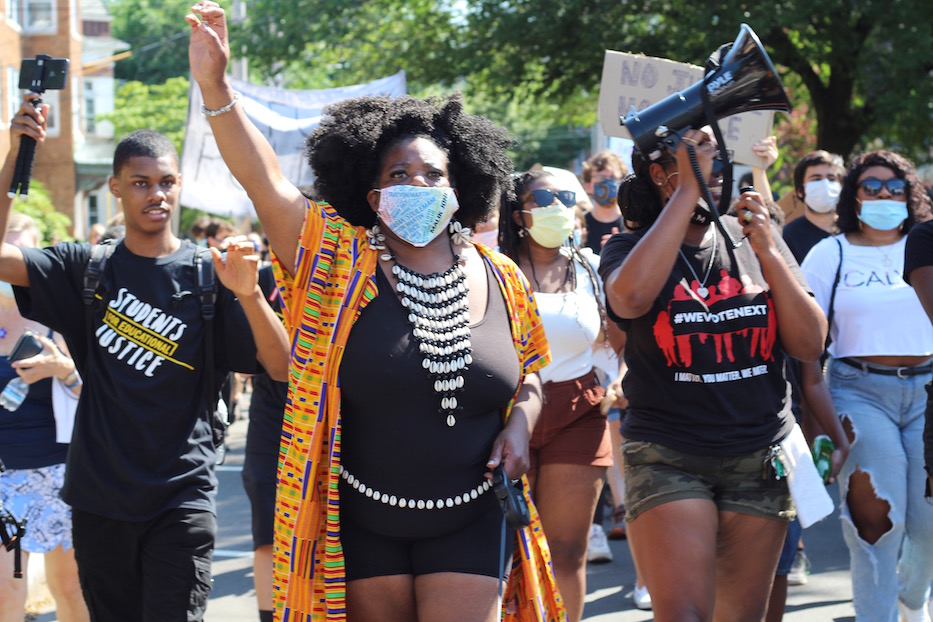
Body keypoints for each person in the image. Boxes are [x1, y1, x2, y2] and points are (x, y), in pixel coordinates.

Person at [188, 4, 563, 622]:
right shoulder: (335, 263)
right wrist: (216, 88)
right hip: (360, 526)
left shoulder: (505, 277)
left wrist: (521, 423)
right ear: (372, 194)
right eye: (399, 173)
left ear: (458, 188)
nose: (417, 184)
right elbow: (265, 181)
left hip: (473, 519)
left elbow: (531, 374)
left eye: (432, 174)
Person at [0, 93, 290, 621]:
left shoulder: (210, 276)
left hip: (182, 495)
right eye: (140, 183)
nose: (156, 195)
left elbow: (281, 368)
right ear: (115, 189)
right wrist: (16, 155)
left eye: (166, 183)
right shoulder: (84, 269)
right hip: (99, 498)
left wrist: (247, 294)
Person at [598, 129, 826, 621]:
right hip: (668, 454)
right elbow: (629, 300)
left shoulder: (755, 237)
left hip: (759, 455)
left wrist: (767, 248)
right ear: (661, 174)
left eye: (719, 161)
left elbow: (810, 343)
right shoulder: (627, 247)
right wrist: (688, 193)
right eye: (698, 160)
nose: (716, 171)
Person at [801, 150, 933, 622]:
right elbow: (804, 338)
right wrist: (813, 421)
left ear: (909, 195)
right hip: (858, 392)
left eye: (893, 187)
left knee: (929, 523)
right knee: (877, 522)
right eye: (870, 187)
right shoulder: (829, 253)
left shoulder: (927, 243)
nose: (882, 195)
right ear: (853, 196)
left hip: (928, 395)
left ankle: (912, 598)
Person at [499, 169, 622, 620]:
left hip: (580, 416)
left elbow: (616, 342)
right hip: (505, 417)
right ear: (518, 213)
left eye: (566, 196)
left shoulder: (591, 267)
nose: (556, 205)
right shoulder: (492, 267)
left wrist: (617, 379)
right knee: (508, 549)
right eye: (543, 196)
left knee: (567, 551)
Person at [0, 214, 89, 622]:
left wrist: (62, 370)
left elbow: (94, 397)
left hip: (59, 473)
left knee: (70, 589)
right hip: (4, 479)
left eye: (21, 254)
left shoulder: (58, 318)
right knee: (6, 591)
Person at [782, 150, 845, 264]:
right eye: (816, 179)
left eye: (831, 179)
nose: (825, 184)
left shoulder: (853, 231)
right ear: (800, 191)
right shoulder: (789, 237)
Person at [581, 150, 627, 254]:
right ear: (588, 186)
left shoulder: (633, 223)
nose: (608, 184)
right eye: (601, 179)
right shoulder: (581, 225)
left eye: (613, 178)